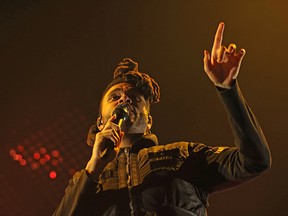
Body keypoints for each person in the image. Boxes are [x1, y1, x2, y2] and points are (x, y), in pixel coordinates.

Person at [53, 22, 271, 216]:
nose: (124, 100)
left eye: (134, 98)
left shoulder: (184, 154)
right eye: (115, 97)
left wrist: (228, 90)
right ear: (100, 123)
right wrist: (93, 168)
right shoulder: (86, 180)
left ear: (149, 122)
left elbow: (254, 161)